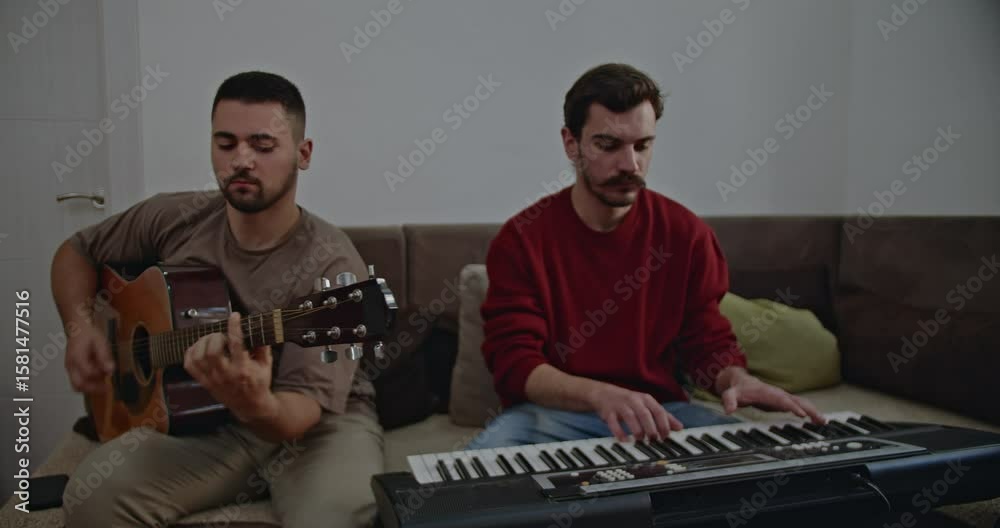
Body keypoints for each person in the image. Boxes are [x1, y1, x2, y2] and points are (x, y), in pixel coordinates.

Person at [51, 71, 382, 528]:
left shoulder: (332, 264)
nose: (241, 160)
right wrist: (80, 328)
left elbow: (300, 412)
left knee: (335, 520)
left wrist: (255, 404)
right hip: (201, 418)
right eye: (226, 144)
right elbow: (77, 251)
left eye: (262, 146)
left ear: (303, 154)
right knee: (91, 497)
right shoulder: (176, 216)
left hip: (316, 424)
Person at [468, 63, 825, 450]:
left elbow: (705, 342)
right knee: (477, 476)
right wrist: (601, 395)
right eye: (608, 145)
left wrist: (735, 379)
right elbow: (516, 365)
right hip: (554, 416)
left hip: (661, 414)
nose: (630, 165)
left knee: (766, 457)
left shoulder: (687, 234)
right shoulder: (521, 239)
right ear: (571, 143)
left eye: (642, 146)